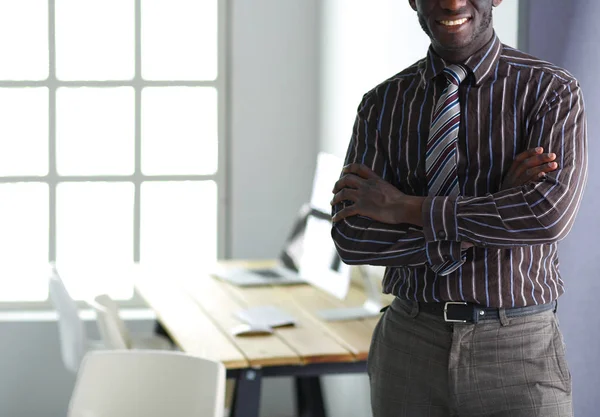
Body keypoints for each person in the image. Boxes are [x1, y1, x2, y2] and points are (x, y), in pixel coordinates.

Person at [330, 1, 587, 416]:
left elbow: (545, 216)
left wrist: (403, 207)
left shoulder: (550, 90)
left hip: (518, 351)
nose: (451, 2)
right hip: (409, 348)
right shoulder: (381, 104)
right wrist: (496, 208)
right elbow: (353, 238)